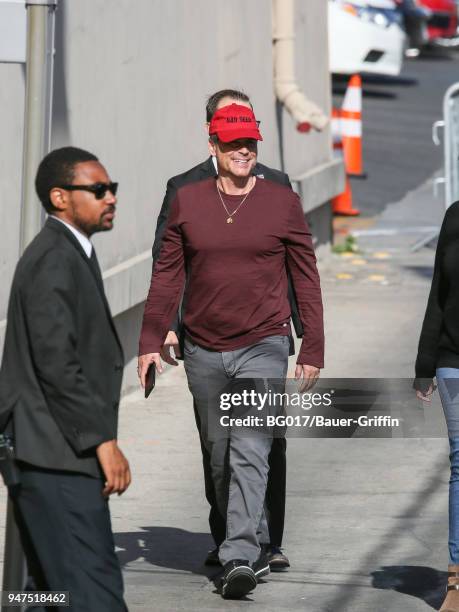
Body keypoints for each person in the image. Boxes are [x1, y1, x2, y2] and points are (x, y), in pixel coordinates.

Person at [138, 103, 324, 599]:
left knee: (250, 447)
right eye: (233, 143)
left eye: (250, 143)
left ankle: (241, 555)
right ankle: (232, 538)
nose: (244, 150)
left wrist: (313, 344)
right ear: (213, 146)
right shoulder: (188, 199)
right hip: (203, 347)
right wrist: (151, 339)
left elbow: (304, 272)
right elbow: (166, 274)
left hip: (264, 342)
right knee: (218, 454)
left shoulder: (282, 200)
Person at [0, 147, 131, 611]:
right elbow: (56, 364)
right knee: (91, 594)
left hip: (52, 453)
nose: (110, 197)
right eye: (97, 190)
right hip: (55, 457)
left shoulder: (73, 250)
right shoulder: (54, 258)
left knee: (49, 593)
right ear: (60, 197)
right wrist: (101, 441)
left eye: (111, 188)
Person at [415, 201, 459, 612]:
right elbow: (439, 294)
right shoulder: (455, 216)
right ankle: (457, 581)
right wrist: (424, 363)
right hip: (453, 362)